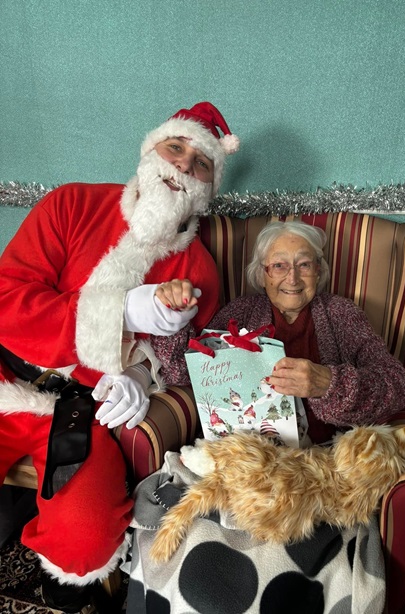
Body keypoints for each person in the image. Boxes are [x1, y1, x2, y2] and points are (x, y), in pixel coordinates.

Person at [0, 101, 239, 612]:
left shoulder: (198, 269)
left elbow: (188, 362)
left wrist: (139, 373)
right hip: (6, 372)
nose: (183, 165)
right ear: (149, 151)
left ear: (208, 190)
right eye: (175, 147)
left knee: (84, 538)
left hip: (78, 412)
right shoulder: (71, 204)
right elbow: (5, 302)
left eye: (201, 162)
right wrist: (122, 310)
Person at [208, 220, 405, 444]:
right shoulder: (240, 313)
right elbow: (188, 372)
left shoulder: (341, 313)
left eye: (304, 264)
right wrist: (178, 317)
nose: (293, 278)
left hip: (325, 454)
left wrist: (329, 384)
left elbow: (399, 385)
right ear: (261, 275)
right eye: (279, 265)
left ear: (318, 271)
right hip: (246, 451)